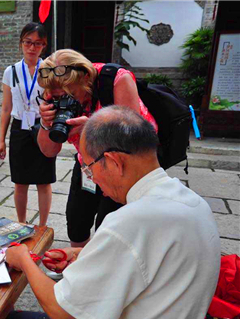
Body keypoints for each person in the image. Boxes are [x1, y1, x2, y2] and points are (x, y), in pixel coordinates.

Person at [0, 106, 221, 319]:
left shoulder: (130, 222)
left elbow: (61, 311)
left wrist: (24, 260)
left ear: (113, 162)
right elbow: (151, 261)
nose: (93, 179)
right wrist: (87, 254)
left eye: (89, 168)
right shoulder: (193, 203)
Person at [37, 49, 158, 247]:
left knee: (109, 228)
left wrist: (93, 129)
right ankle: (79, 268)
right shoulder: (56, 92)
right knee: (76, 222)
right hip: (88, 163)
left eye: (72, 94)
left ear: (86, 77)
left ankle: (105, 273)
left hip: (123, 167)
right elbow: (49, 151)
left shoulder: (116, 81)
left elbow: (132, 139)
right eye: (60, 97)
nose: (69, 102)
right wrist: (46, 122)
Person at [0, 23, 55, 227]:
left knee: (44, 180)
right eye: (28, 42)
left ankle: (43, 225)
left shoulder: (49, 70)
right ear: (21, 43)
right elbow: (6, 108)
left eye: (38, 44)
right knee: (20, 181)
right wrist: (1, 140)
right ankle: (21, 223)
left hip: (43, 125)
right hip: (20, 127)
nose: (32, 48)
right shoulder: (10, 71)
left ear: (43, 46)